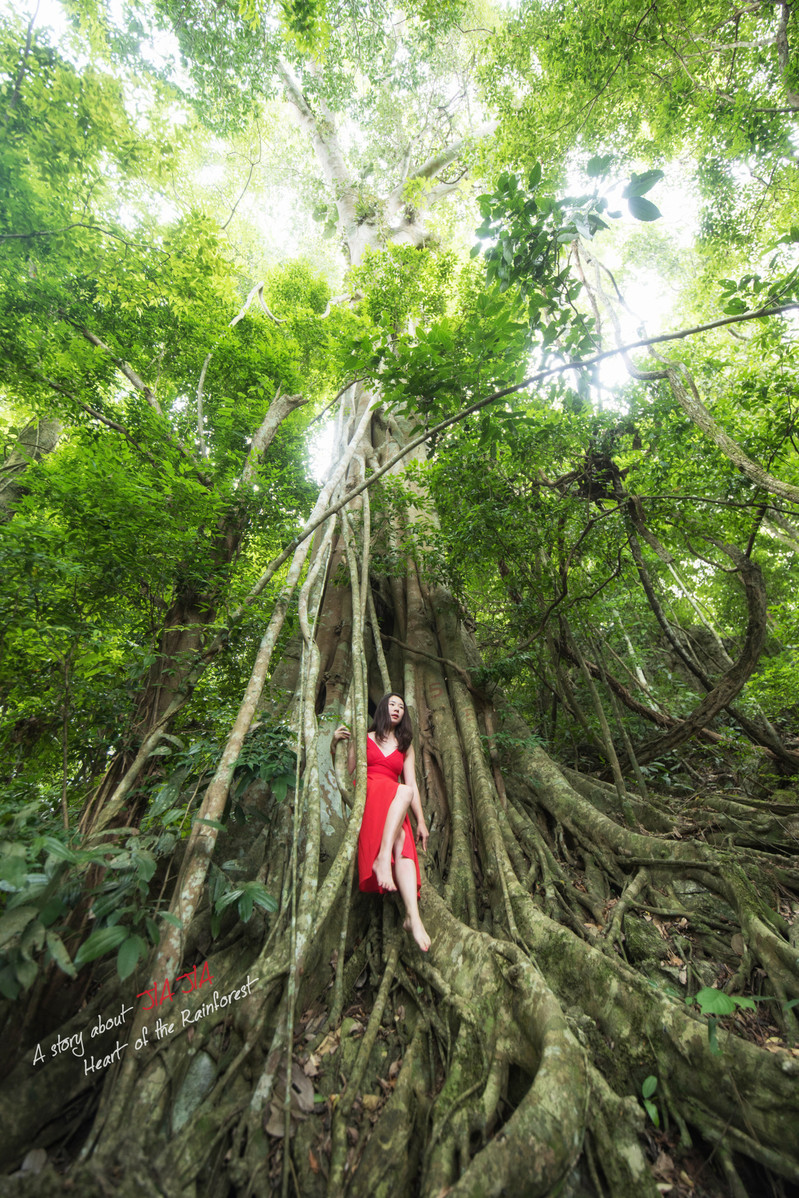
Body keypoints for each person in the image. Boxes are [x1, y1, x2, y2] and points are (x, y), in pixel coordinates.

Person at [333, 693, 431, 952]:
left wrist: (421, 821)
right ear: (382, 710)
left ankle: (413, 916)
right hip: (370, 796)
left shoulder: (404, 745)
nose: (397, 709)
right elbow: (347, 771)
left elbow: (411, 784)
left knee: (405, 843)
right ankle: (382, 859)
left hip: (395, 803)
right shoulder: (366, 738)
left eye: (401, 706)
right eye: (392, 704)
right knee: (403, 797)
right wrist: (335, 745)